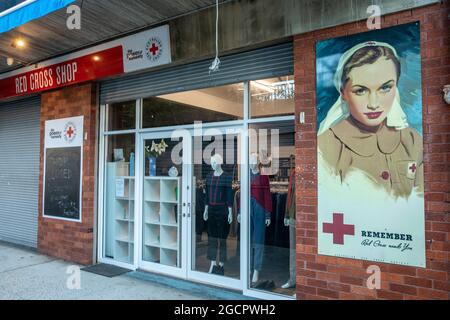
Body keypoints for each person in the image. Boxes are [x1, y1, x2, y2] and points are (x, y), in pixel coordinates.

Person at [318, 41, 423, 199]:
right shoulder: (326, 148)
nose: (374, 104)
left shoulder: (412, 140)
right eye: (360, 90)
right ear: (343, 93)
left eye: (385, 88)